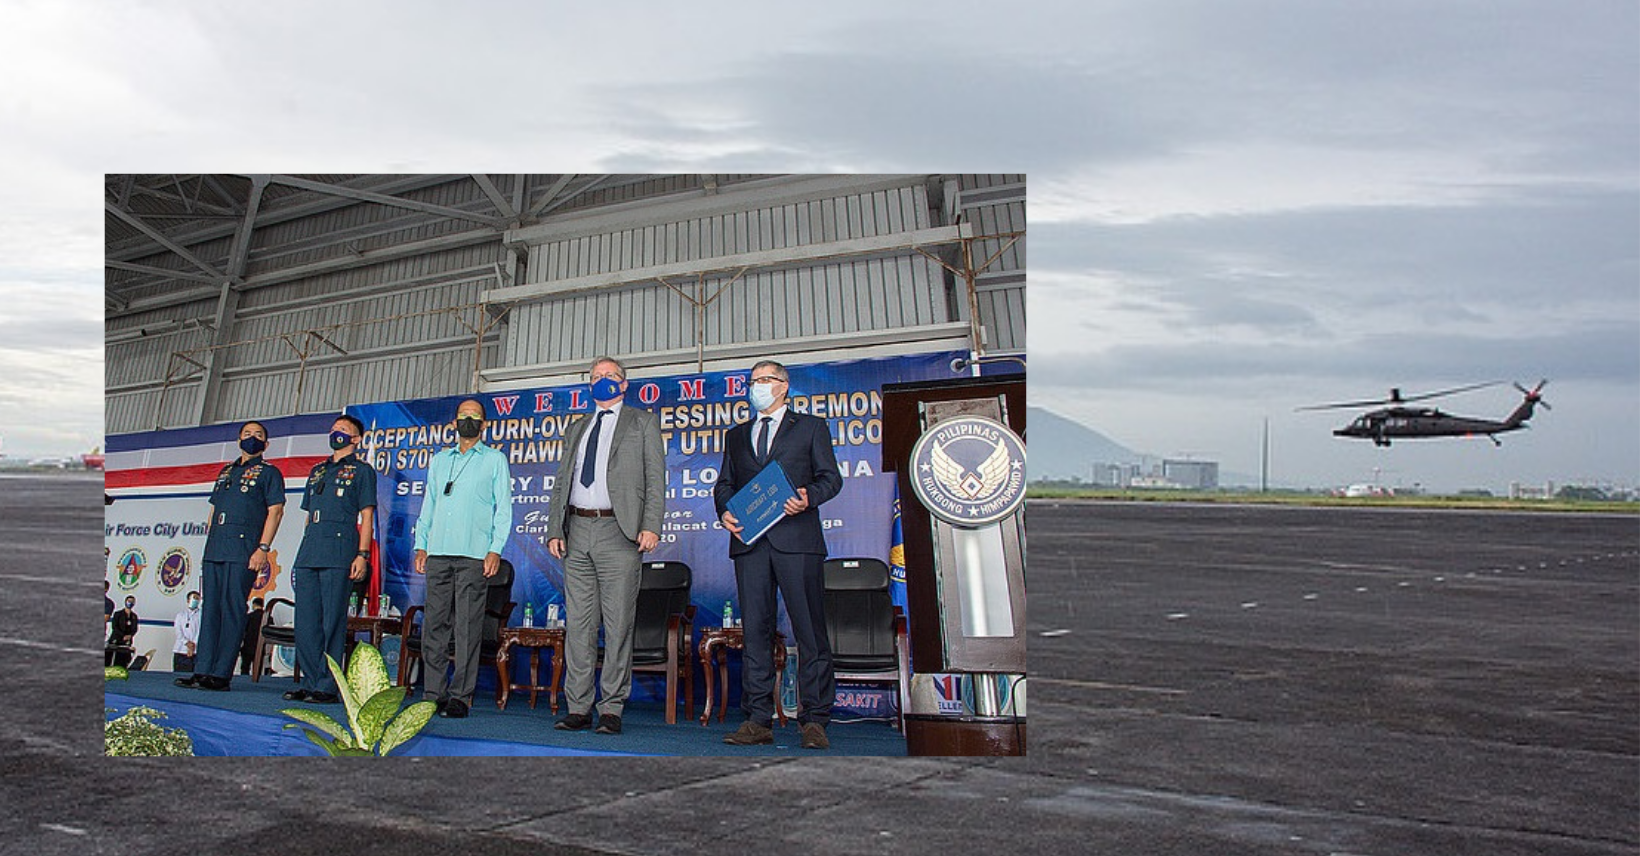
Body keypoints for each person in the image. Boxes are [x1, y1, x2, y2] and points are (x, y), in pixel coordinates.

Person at [715, 359, 844, 749]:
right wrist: (724, 511)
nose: (757, 386)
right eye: (753, 381)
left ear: (784, 386)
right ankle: (757, 719)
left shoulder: (810, 427)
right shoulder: (736, 435)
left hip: (797, 540)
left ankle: (814, 719)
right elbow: (724, 484)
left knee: (809, 630)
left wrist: (808, 497)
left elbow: (830, 479)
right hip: (750, 543)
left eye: (765, 380)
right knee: (755, 632)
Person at [544, 357, 666, 736]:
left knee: (618, 624)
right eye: (595, 377)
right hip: (577, 529)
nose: (602, 381)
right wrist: (554, 528)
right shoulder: (577, 427)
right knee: (579, 625)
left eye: (609, 376)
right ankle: (578, 707)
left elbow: (656, 478)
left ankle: (611, 707)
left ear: (623, 383)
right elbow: (562, 481)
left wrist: (651, 525)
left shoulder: (641, 422)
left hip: (620, 530)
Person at [413, 399, 512, 719]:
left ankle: (460, 695)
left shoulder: (495, 459)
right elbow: (428, 504)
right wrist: (420, 545)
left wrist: (495, 548)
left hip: (473, 554)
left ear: (484, 425)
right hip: (438, 552)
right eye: (463, 416)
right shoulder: (440, 460)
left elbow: (504, 508)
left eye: (475, 416)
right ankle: (433, 693)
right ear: (453, 423)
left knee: (467, 627)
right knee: (434, 626)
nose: (468, 420)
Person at [176, 420, 286, 692]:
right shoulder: (226, 471)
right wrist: (210, 540)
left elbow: (275, 512)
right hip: (216, 547)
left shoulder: (269, 473)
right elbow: (214, 510)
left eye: (258, 434)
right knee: (210, 609)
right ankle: (202, 670)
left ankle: (221, 673)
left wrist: (263, 548)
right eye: (247, 434)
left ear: (266, 444)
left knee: (233, 608)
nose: (252, 438)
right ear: (238, 441)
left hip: (243, 548)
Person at [285, 415, 378, 704]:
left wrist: (362, 554)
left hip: (339, 551)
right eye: (334, 428)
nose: (336, 432)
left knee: (331, 622)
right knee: (306, 622)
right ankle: (310, 681)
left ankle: (327, 685)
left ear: (356, 439)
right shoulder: (318, 471)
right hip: (310, 550)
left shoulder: (362, 471)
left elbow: (367, 515)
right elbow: (308, 514)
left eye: (344, 430)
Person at [172, 591, 200, 672]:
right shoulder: (180, 615)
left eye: (197, 599)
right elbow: (178, 631)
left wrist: (193, 644)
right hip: (180, 650)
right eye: (194, 598)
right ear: (188, 600)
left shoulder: (202, 615)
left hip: (195, 651)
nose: (196, 600)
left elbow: (200, 631)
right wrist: (186, 642)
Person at [107, 596, 139, 668]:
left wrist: (130, 636)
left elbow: (135, 629)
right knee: (111, 659)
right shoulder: (118, 614)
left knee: (123, 660)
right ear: (125, 602)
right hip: (116, 640)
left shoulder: (134, 616)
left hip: (126, 642)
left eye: (132, 601)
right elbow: (114, 627)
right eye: (129, 601)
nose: (130, 603)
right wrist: (122, 636)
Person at [238, 596, 265, 675]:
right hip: (260, 647)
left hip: (248, 646)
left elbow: (242, 632)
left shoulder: (249, 617)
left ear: (254, 604)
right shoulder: (268, 618)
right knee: (257, 670)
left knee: (245, 668)